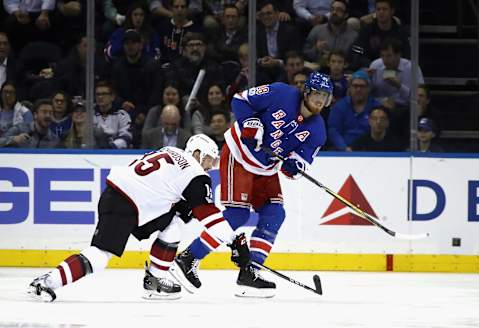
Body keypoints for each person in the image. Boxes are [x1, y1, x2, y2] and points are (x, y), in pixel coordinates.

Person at [28, 134, 252, 302]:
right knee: (100, 255)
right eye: (209, 160)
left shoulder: (170, 150)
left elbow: (173, 197)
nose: (210, 167)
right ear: (197, 153)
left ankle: (155, 280)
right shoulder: (195, 172)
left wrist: (185, 209)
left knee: (173, 225)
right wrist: (233, 240)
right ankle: (47, 282)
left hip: (123, 198)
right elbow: (208, 216)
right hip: (127, 203)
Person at [170, 72, 334, 298]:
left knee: (275, 214)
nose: (319, 101)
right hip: (239, 154)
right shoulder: (281, 92)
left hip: (266, 169)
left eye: (325, 97)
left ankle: (250, 272)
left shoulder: (318, 131)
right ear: (306, 91)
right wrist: (250, 123)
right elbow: (240, 99)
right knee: (237, 214)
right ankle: (188, 258)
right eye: (317, 94)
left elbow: (300, 163)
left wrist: (294, 167)